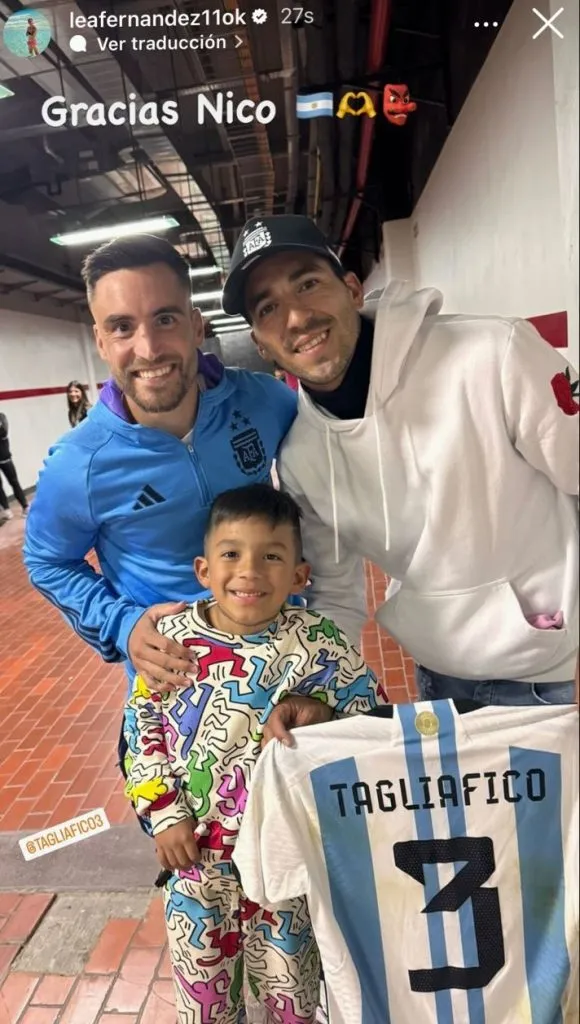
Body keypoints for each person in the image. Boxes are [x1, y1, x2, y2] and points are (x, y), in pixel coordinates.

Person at [221, 214, 579, 710]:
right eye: (269, 308)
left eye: (307, 283)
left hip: (558, 674)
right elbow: (338, 595)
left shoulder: (493, 354)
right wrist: (322, 690)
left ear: (351, 289)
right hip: (439, 678)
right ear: (261, 343)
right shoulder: (302, 457)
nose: (297, 318)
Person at [124, 483, 382, 1024]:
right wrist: (164, 813)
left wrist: (325, 715)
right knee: (206, 1006)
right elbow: (140, 726)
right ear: (202, 569)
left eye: (272, 556)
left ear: (299, 575)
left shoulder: (322, 644)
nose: (250, 571)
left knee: (293, 1002)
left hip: (289, 868)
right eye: (231, 554)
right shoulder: (172, 641)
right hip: (196, 867)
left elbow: (375, 727)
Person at [23, 235, 297, 712]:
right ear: (101, 342)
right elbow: (47, 561)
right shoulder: (79, 464)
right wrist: (121, 624)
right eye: (123, 327)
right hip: (177, 693)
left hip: (285, 667)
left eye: (165, 319)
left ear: (195, 326)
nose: (148, 349)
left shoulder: (266, 402)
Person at [0, 412, 29, 521]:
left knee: (14, 482)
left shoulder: (1, 417)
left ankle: (25, 506)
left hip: (5, 457)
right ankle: (6, 510)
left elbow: (3, 431)